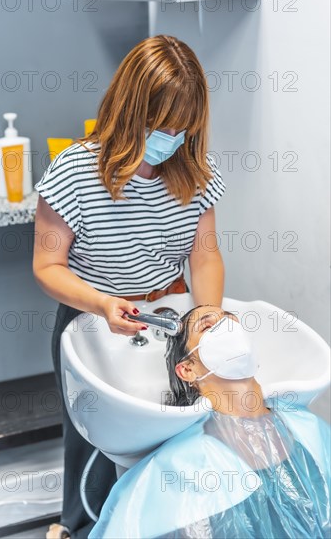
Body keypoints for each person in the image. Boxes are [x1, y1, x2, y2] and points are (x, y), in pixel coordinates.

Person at [32, 34, 227, 539]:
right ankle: (80, 527)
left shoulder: (193, 170)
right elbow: (47, 266)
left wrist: (207, 314)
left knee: (172, 435)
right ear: (128, 109)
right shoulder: (74, 172)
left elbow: (204, 253)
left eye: (183, 129)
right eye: (161, 127)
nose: (171, 139)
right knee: (93, 445)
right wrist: (102, 303)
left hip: (171, 316)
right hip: (92, 321)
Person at [88, 305, 331, 539]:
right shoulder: (181, 467)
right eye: (207, 327)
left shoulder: (307, 427)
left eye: (230, 320)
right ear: (187, 371)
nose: (227, 328)